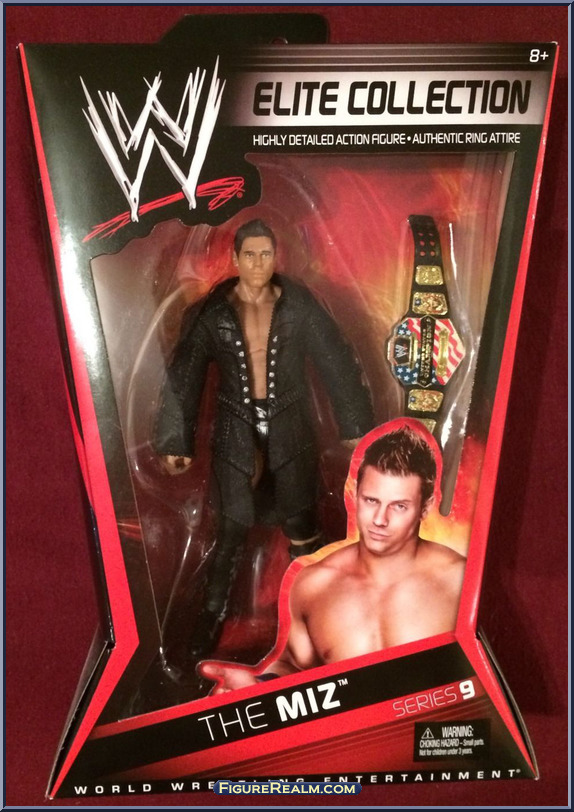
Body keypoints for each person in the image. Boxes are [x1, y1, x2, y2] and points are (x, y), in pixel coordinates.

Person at [155, 219, 374, 659]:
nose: (258, 263)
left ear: (276, 256)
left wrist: (354, 424)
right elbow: (184, 374)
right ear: (235, 259)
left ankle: (326, 618)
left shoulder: (298, 305)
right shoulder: (214, 312)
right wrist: (175, 440)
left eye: (266, 254)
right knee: (230, 533)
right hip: (235, 430)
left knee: (304, 528)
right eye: (250, 255)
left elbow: (335, 357)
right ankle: (207, 625)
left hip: (291, 427)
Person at [200, 423, 466, 691]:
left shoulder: (460, 582)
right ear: (355, 494)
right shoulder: (314, 585)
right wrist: (259, 687)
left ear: (425, 507)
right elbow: (295, 668)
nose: (379, 519)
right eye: (371, 500)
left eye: (399, 506)